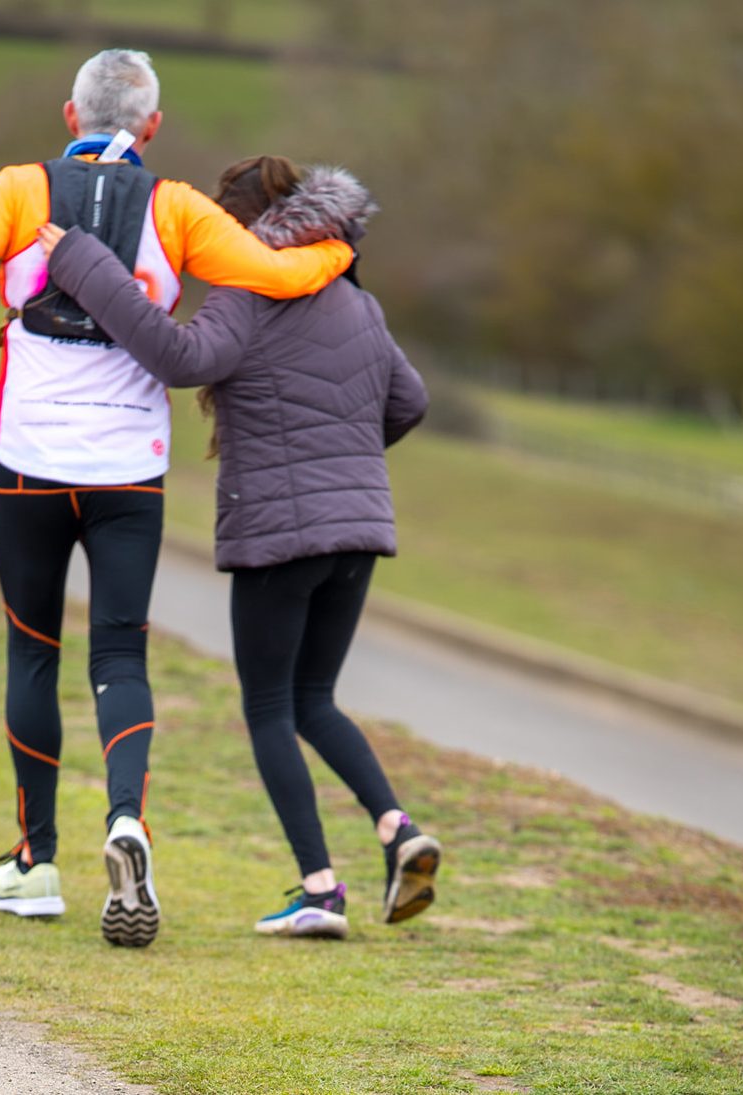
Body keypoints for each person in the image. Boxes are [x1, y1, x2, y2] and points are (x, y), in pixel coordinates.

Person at [0, 53, 353, 948]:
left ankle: (33, 864)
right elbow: (280, 274)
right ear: (150, 126)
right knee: (119, 653)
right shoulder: (177, 206)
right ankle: (127, 823)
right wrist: (340, 242)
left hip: (28, 460)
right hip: (127, 470)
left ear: (70, 114)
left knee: (32, 653)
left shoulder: (19, 189)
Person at [37, 155, 440, 939]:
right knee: (313, 699)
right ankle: (397, 827)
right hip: (357, 533)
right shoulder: (357, 302)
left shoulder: (251, 295)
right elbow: (409, 400)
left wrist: (83, 261)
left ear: (244, 229)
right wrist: (345, 461)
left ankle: (321, 889)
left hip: (279, 537)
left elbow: (182, 358)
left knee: (266, 707)